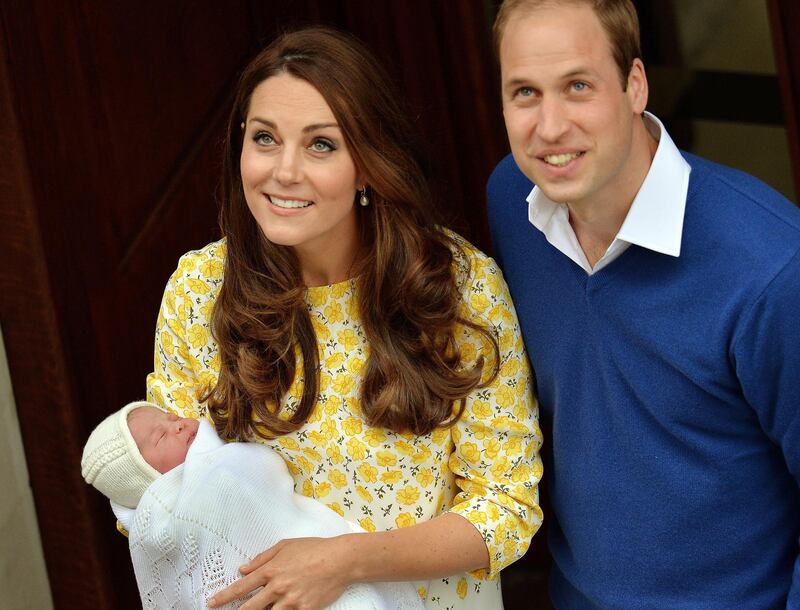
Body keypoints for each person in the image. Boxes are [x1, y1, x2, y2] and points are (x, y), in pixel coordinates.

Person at [144, 26, 542, 610]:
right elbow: (158, 499)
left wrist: (343, 561)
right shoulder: (200, 291)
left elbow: (505, 509)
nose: (284, 171)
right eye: (264, 138)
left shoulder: (456, 286)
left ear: (368, 165)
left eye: (321, 144)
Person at [486, 0, 800, 608]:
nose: (550, 128)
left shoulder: (770, 269)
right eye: (525, 93)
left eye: (578, 86)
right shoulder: (512, 200)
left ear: (635, 84)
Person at [80, 401, 424, 609]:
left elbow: (264, 478)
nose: (179, 425)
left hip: (327, 573)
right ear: (147, 477)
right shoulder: (176, 516)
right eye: (160, 436)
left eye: (171, 418)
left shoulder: (217, 462)